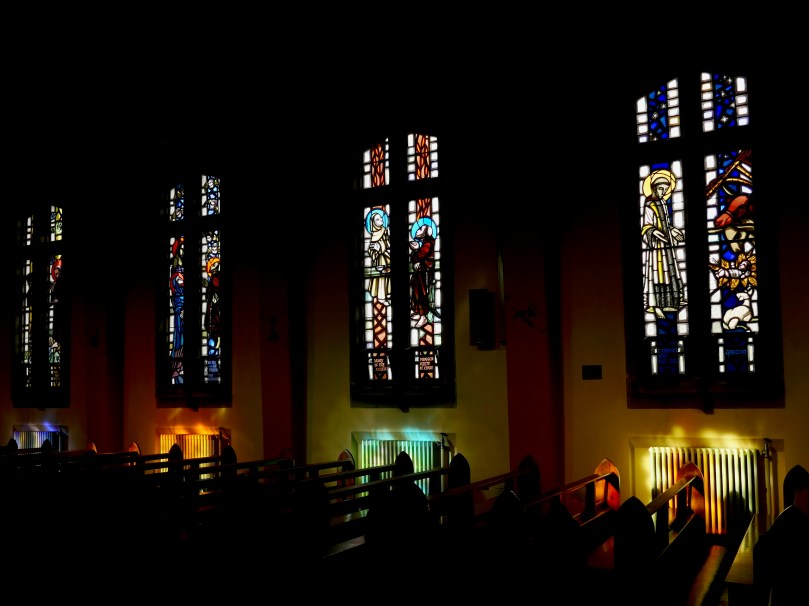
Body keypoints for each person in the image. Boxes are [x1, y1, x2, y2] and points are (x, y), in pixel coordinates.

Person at [641, 170, 685, 319]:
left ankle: (672, 301)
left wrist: (672, 231)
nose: (663, 192)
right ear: (654, 188)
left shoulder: (663, 204)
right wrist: (654, 232)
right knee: (658, 275)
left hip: (667, 245)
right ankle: (655, 305)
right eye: (661, 189)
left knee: (670, 273)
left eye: (665, 190)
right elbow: (647, 226)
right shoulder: (649, 204)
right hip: (656, 247)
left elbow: (665, 224)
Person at [409, 219, 436, 328]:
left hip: (425, 274)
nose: (417, 230)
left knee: (421, 294)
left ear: (425, 233)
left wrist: (416, 250)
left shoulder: (428, 244)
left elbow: (419, 256)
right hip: (420, 273)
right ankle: (418, 311)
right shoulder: (425, 243)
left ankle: (423, 316)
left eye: (420, 229)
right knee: (416, 290)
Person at [366, 209, 391, 304]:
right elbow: (370, 250)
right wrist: (375, 250)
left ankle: (388, 293)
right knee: (381, 278)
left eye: (381, 218)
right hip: (379, 260)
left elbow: (388, 244)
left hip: (387, 258)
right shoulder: (374, 234)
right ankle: (381, 297)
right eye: (377, 219)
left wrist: (380, 247)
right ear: (373, 223)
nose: (381, 220)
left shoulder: (386, 231)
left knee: (388, 276)